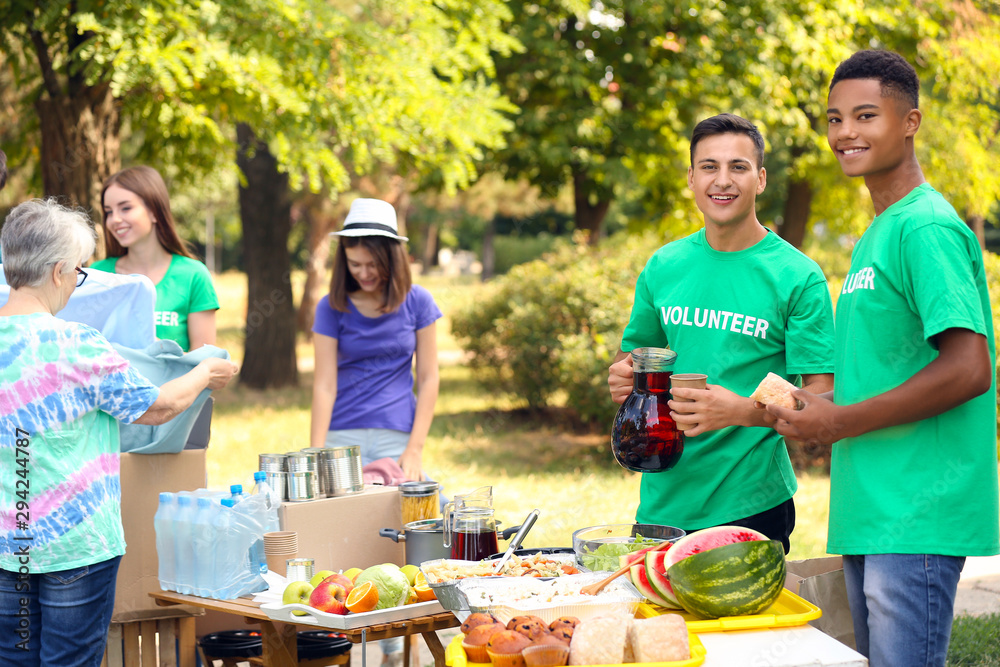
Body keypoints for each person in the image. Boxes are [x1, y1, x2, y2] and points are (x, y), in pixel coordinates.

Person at [767, 50, 1000, 666]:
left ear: (910, 122)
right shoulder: (878, 231)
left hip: (916, 508)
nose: (846, 132)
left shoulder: (925, 226)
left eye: (865, 115)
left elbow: (969, 367)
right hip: (870, 507)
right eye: (834, 118)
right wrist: (805, 408)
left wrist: (837, 421)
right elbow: (881, 375)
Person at [0, 198, 238, 667]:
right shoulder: (78, 343)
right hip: (78, 545)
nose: (75, 284)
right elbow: (157, 408)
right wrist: (205, 370)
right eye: (78, 273)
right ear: (57, 271)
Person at [607, 114, 835, 553]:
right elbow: (631, 359)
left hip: (750, 501)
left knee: (738, 625)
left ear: (761, 178)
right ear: (692, 178)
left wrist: (741, 411)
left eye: (739, 166)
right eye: (709, 167)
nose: (722, 180)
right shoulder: (665, 265)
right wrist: (621, 375)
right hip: (661, 499)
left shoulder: (797, 276)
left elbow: (823, 400)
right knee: (661, 623)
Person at [310, 198, 442, 483]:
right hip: (341, 436)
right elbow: (324, 384)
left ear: (392, 259)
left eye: (373, 264)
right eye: (355, 264)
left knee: (427, 512)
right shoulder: (330, 307)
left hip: (396, 437)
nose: (364, 273)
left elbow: (429, 377)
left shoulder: (418, 302)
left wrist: (414, 449)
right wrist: (317, 452)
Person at [91, 165, 219, 352]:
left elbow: (205, 365)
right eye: (109, 212)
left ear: (154, 211)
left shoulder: (193, 275)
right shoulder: (97, 274)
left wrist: (159, 349)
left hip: (176, 382)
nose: (115, 219)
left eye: (125, 208)